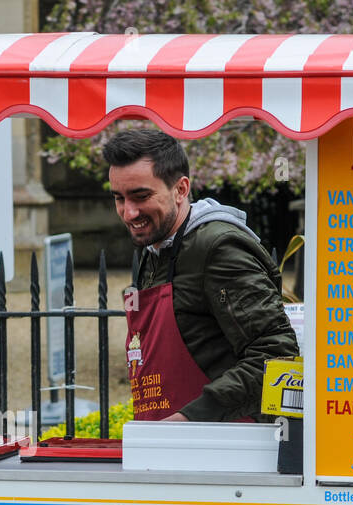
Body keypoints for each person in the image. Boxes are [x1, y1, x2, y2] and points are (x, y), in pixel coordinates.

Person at [104, 129, 299, 422]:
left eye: (141, 196)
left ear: (181, 189)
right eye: (119, 198)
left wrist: (191, 418)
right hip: (171, 446)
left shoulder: (218, 248)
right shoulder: (155, 250)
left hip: (223, 448)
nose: (129, 213)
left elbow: (277, 355)